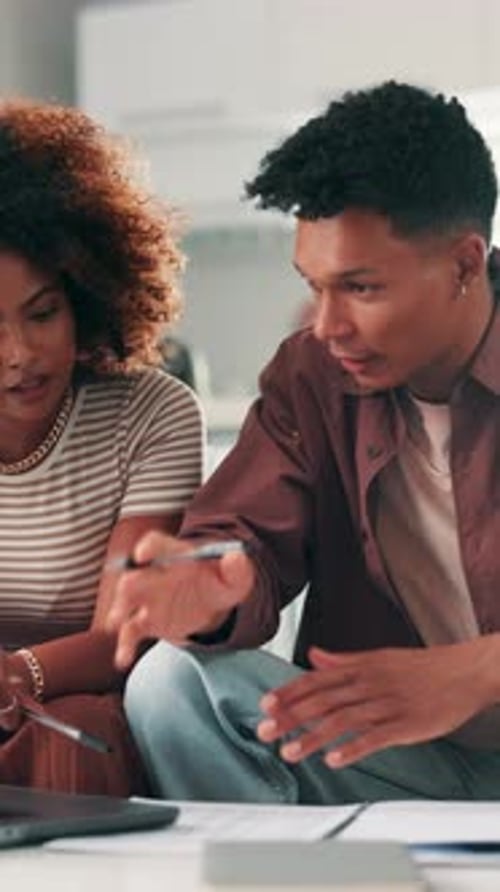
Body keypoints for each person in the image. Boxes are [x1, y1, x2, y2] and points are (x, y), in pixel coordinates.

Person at [108, 80, 500, 804]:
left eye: (361, 288)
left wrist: (479, 672)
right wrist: (211, 588)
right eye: (314, 286)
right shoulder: (311, 376)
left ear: (465, 265)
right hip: (397, 761)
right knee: (173, 682)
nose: (327, 325)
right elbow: (240, 537)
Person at [0, 98, 203, 795]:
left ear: (85, 295)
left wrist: (17, 673)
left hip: (79, 712)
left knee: (78, 740)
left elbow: (125, 638)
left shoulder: (151, 415)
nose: (20, 355)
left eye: (43, 313)